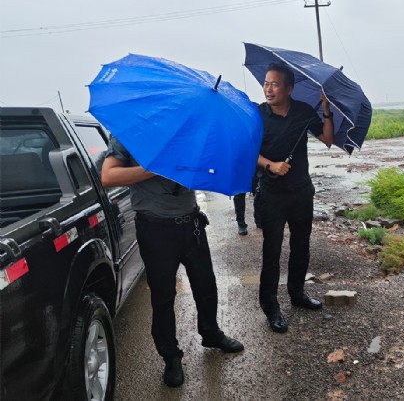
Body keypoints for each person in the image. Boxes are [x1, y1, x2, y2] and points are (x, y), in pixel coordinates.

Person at [101, 136, 244, 388]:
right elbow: (108, 176)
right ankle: (171, 356)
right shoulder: (132, 130)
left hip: (192, 224)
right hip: (155, 229)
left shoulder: (187, 129)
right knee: (163, 297)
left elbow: (204, 170)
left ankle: (211, 333)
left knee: (206, 286)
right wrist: (155, 168)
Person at [254, 61, 334, 333]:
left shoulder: (303, 112)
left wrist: (326, 111)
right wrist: (270, 165)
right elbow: (248, 151)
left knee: (301, 246)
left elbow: (327, 139)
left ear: (289, 89)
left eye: (275, 84)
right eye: (266, 83)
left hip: (301, 191)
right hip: (272, 194)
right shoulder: (258, 115)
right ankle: (271, 307)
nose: (268, 89)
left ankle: (297, 294)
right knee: (272, 251)